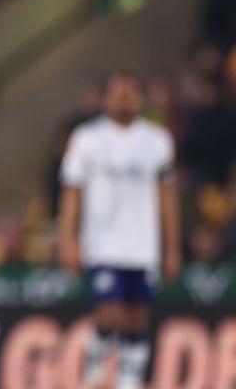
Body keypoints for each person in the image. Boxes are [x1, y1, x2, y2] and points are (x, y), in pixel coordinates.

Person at [58, 71, 182, 389]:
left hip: (143, 245)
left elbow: (167, 198)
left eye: (130, 92)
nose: (124, 98)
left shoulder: (158, 141)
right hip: (102, 244)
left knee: (136, 316)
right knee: (109, 313)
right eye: (117, 92)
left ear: (141, 99)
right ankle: (95, 367)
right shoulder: (86, 139)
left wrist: (172, 247)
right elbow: (72, 192)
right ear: (105, 98)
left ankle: (129, 380)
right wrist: (67, 240)